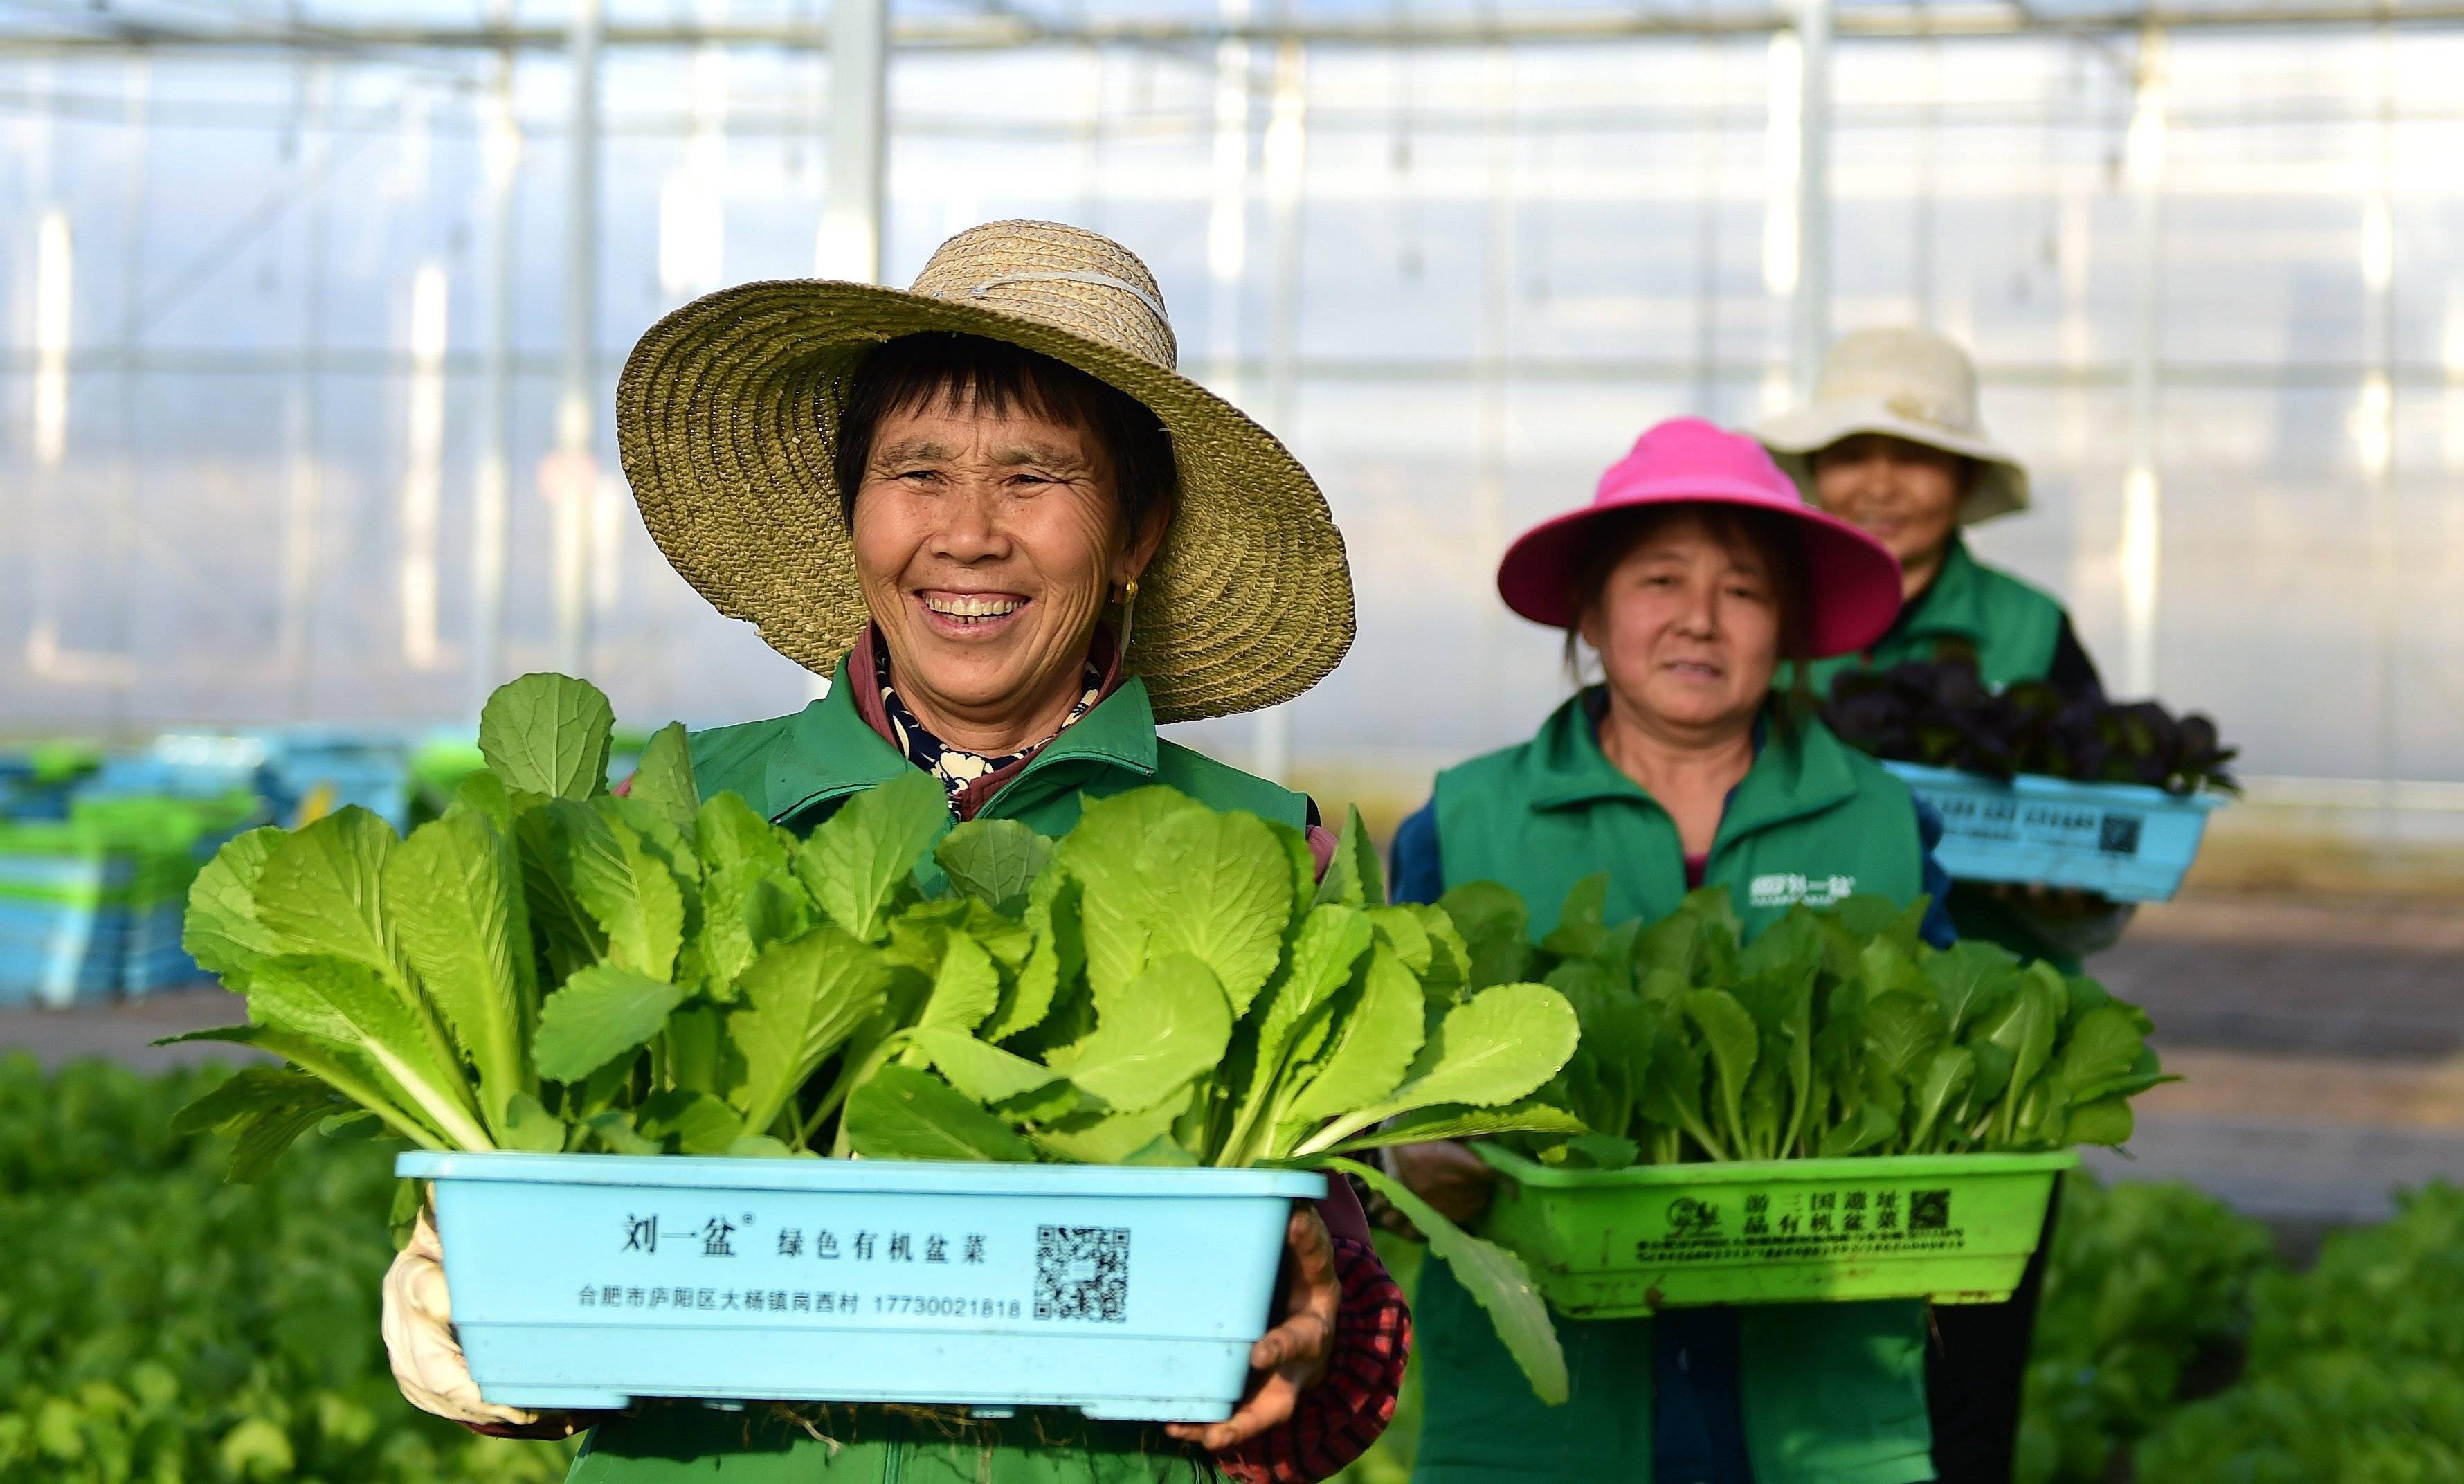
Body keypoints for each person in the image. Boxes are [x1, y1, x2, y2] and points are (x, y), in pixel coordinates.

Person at [379, 221, 1410, 1484]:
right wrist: (465, 1275)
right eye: (918, 471)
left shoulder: (1266, 856)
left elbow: (1342, 1345)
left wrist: (1313, 1340)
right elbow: (541, 1159)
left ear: (1137, 533)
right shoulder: (672, 815)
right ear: (854, 511)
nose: (969, 533)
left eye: (1037, 476)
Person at [1385, 417, 1956, 1484]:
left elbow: (1942, 1074)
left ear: (1787, 625)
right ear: (1592, 614)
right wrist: (1403, 1165)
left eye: (1743, 590)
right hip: (1542, 1417)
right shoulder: (1465, 822)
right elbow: (1379, 1112)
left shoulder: (1882, 821)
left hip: (1821, 1415)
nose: (1700, 620)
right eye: (1659, 582)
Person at [1752, 330, 2105, 1483]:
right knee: (1787, 1365)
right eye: (1854, 452)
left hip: (1989, 1049)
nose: (1883, 484)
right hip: (1789, 1042)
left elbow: (2102, 839)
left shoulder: (2031, 630)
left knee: (1964, 1382)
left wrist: (2071, 887)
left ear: (1962, 479)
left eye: (1918, 454)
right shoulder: (1764, 607)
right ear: (1816, 472)